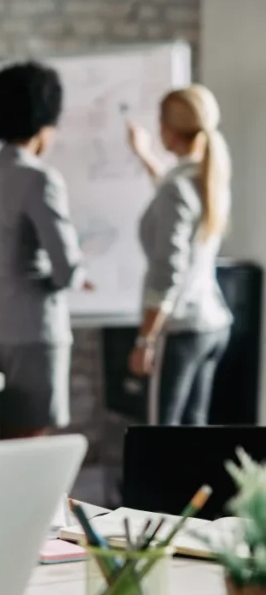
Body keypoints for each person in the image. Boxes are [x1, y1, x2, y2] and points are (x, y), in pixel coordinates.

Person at [0, 61, 90, 440]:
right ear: (43, 123)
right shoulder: (40, 179)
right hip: (33, 332)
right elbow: (67, 272)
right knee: (30, 444)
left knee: (2, 438)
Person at [125, 85, 233, 425]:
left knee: (163, 434)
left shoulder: (178, 189)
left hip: (181, 330)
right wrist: (144, 155)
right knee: (193, 433)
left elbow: (168, 272)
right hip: (212, 323)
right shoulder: (208, 176)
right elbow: (171, 192)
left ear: (169, 130)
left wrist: (145, 339)